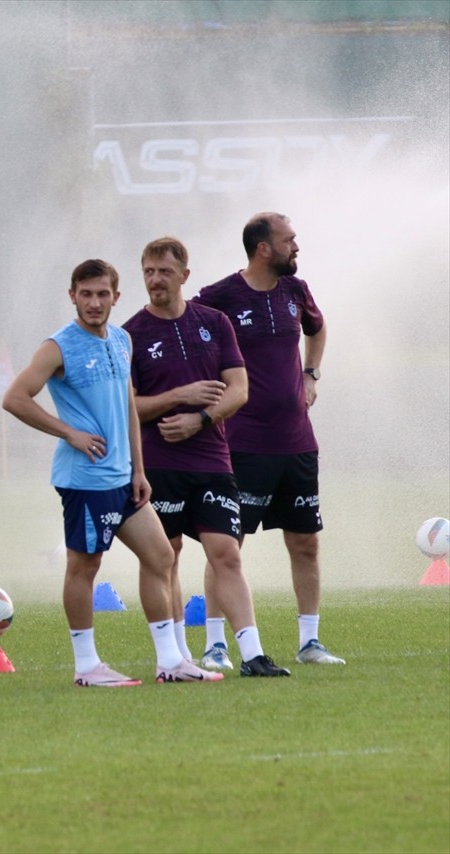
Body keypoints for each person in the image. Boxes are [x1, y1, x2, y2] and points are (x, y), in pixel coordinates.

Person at [2, 259, 222, 686]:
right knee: (85, 567)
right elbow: (15, 397)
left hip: (123, 480)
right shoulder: (58, 347)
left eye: (103, 294)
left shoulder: (122, 340)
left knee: (160, 556)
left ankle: (170, 662)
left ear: (116, 298)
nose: (94, 303)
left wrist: (139, 470)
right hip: (84, 480)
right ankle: (86, 667)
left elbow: (127, 410)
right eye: (86, 294)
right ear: (72, 297)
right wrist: (70, 433)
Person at [123, 237, 290, 677]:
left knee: (227, 554)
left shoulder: (214, 323)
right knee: (167, 555)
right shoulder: (130, 334)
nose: (155, 280)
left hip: (213, 461)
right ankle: (176, 657)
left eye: (163, 271)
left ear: (184, 275)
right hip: (158, 463)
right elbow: (127, 408)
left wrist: (200, 418)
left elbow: (239, 389)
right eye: (148, 272)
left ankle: (252, 654)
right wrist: (177, 397)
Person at [193, 213, 343, 665]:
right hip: (241, 444)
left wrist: (310, 373)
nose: (296, 246)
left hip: (297, 443)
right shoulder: (219, 298)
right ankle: (216, 644)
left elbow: (317, 329)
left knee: (306, 542)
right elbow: (191, 339)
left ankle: (309, 642)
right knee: (226, 546)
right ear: (263, 248)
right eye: (289, 240)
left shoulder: (296, 291)